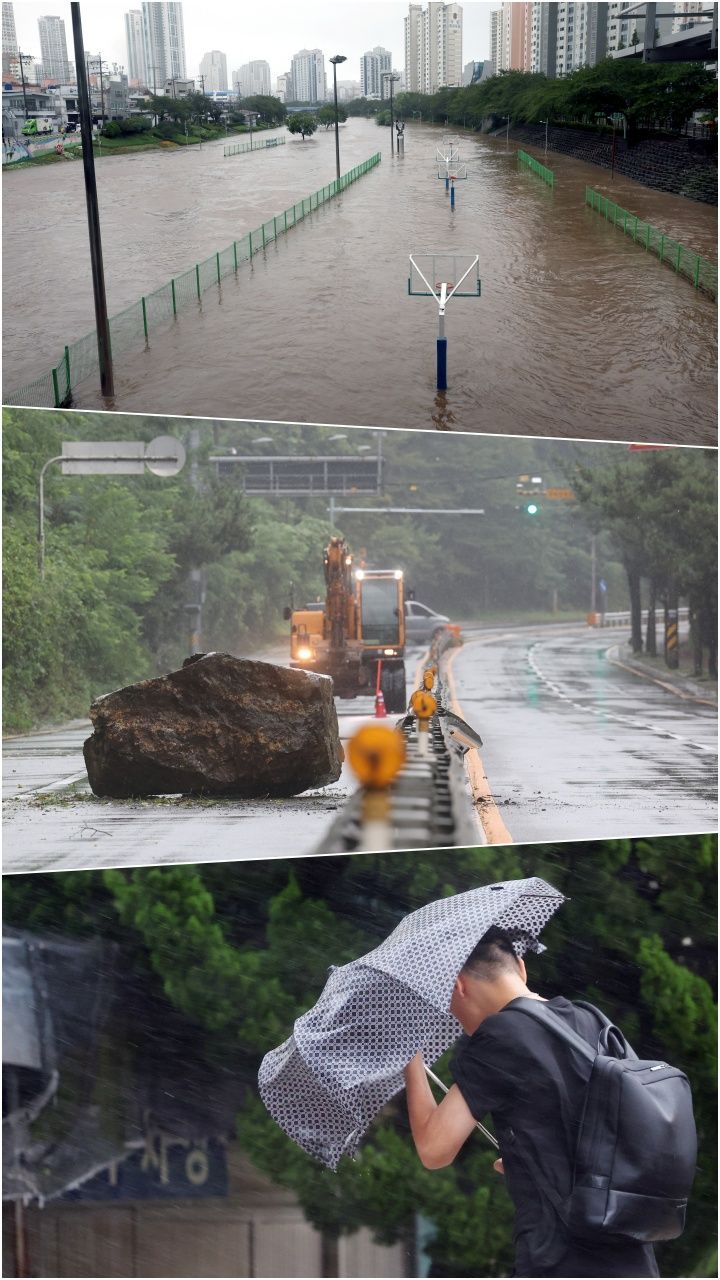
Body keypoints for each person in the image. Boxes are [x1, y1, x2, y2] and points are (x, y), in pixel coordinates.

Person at [403, 928, 659, 1278]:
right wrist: (535, 1162)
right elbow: (614, 1136)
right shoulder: (591, 1019)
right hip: (632, 1253)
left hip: (563, 1258)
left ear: (459, 986)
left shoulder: (498, 1038)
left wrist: (409, 1059)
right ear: (521, 967)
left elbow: (435, 1149)